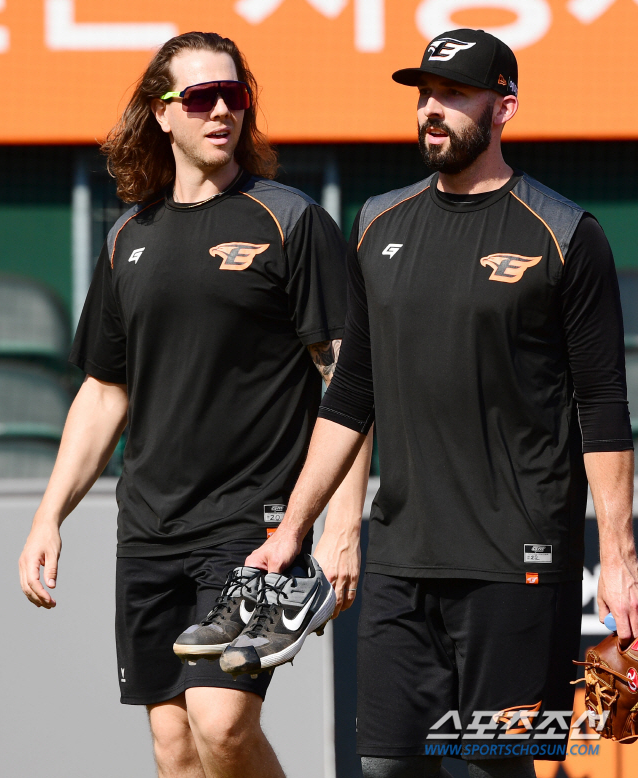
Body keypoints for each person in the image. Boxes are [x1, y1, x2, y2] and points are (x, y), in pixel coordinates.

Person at [244, 28, 638, 778]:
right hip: (402, 555)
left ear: (504, 108)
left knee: (495, 767)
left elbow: (602, 405)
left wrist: (619, 560)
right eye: (425, 94)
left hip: (518, 562)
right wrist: (294, 529)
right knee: (386, 765)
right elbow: (350, 394)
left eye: (455, 95)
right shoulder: (378, 223)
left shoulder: (565, 234)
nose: (432, 109)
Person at [18, 31, 371, 778]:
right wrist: (49, 515)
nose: (221, 111)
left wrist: (342, 526)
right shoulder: (128, 235)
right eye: (202, 97)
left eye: (234, 96)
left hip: (253, 525)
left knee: (222, 723)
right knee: (176, 746)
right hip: (148, 529)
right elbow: (104, 392)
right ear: (161, 112)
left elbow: (347, 380)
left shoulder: (291, 221)